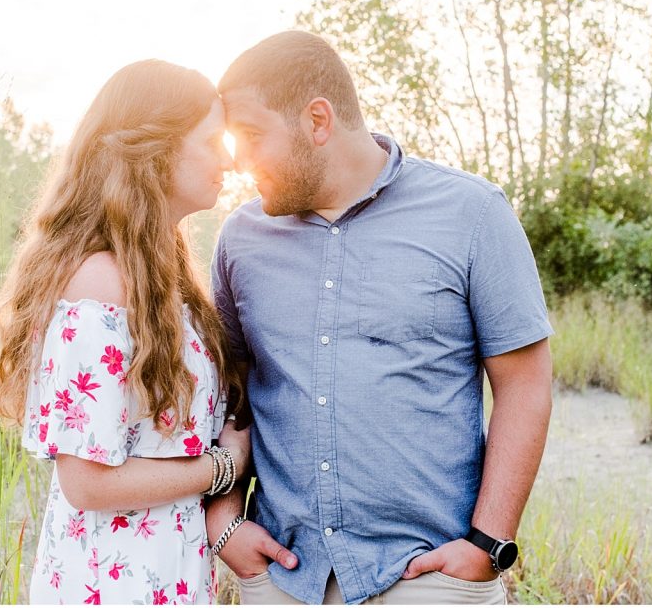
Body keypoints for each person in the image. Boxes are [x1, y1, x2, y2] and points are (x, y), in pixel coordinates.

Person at [205, 31, 554, 605]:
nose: (236, 159)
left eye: (250, 136)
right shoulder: (241, 239)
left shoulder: (473, 214)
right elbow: (229, 388)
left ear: (318, 120)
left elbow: (524, 384)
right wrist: (223, 520)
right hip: (285, 577)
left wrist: (489, 543)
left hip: (431, 576)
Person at [0, 59, 248, 605]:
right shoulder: (101, 285)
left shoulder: (161, 276)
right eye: (213, 140)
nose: (228, 159)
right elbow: (88, 484)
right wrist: (223, 468)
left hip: (163, 575)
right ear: (156, 150)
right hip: (108, 583)